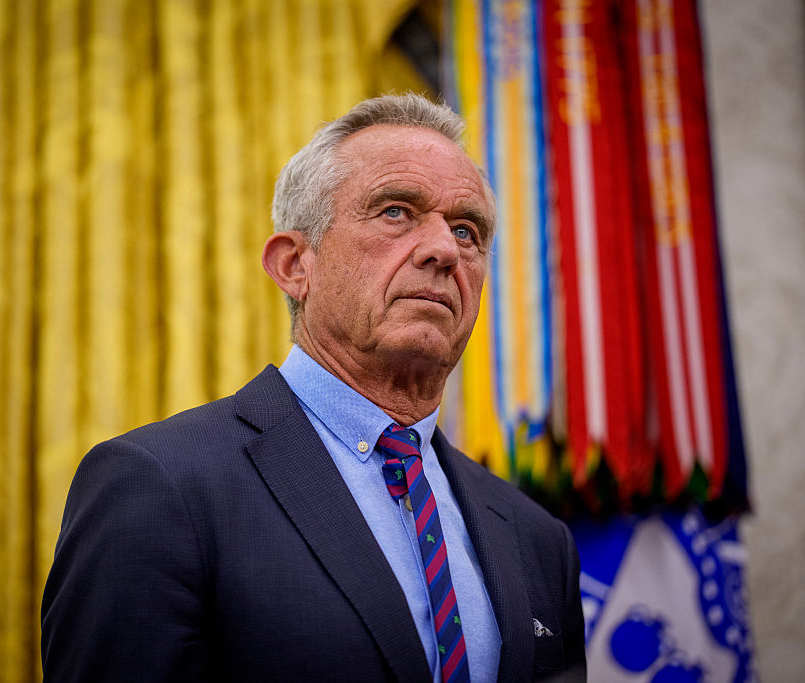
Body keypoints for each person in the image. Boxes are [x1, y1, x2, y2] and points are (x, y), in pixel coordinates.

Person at [41, 94, 586, 682]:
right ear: (295, 264)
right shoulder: (156, 486)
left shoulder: (538, 539)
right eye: (397, 212)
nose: (444, 251)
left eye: (466, 229)